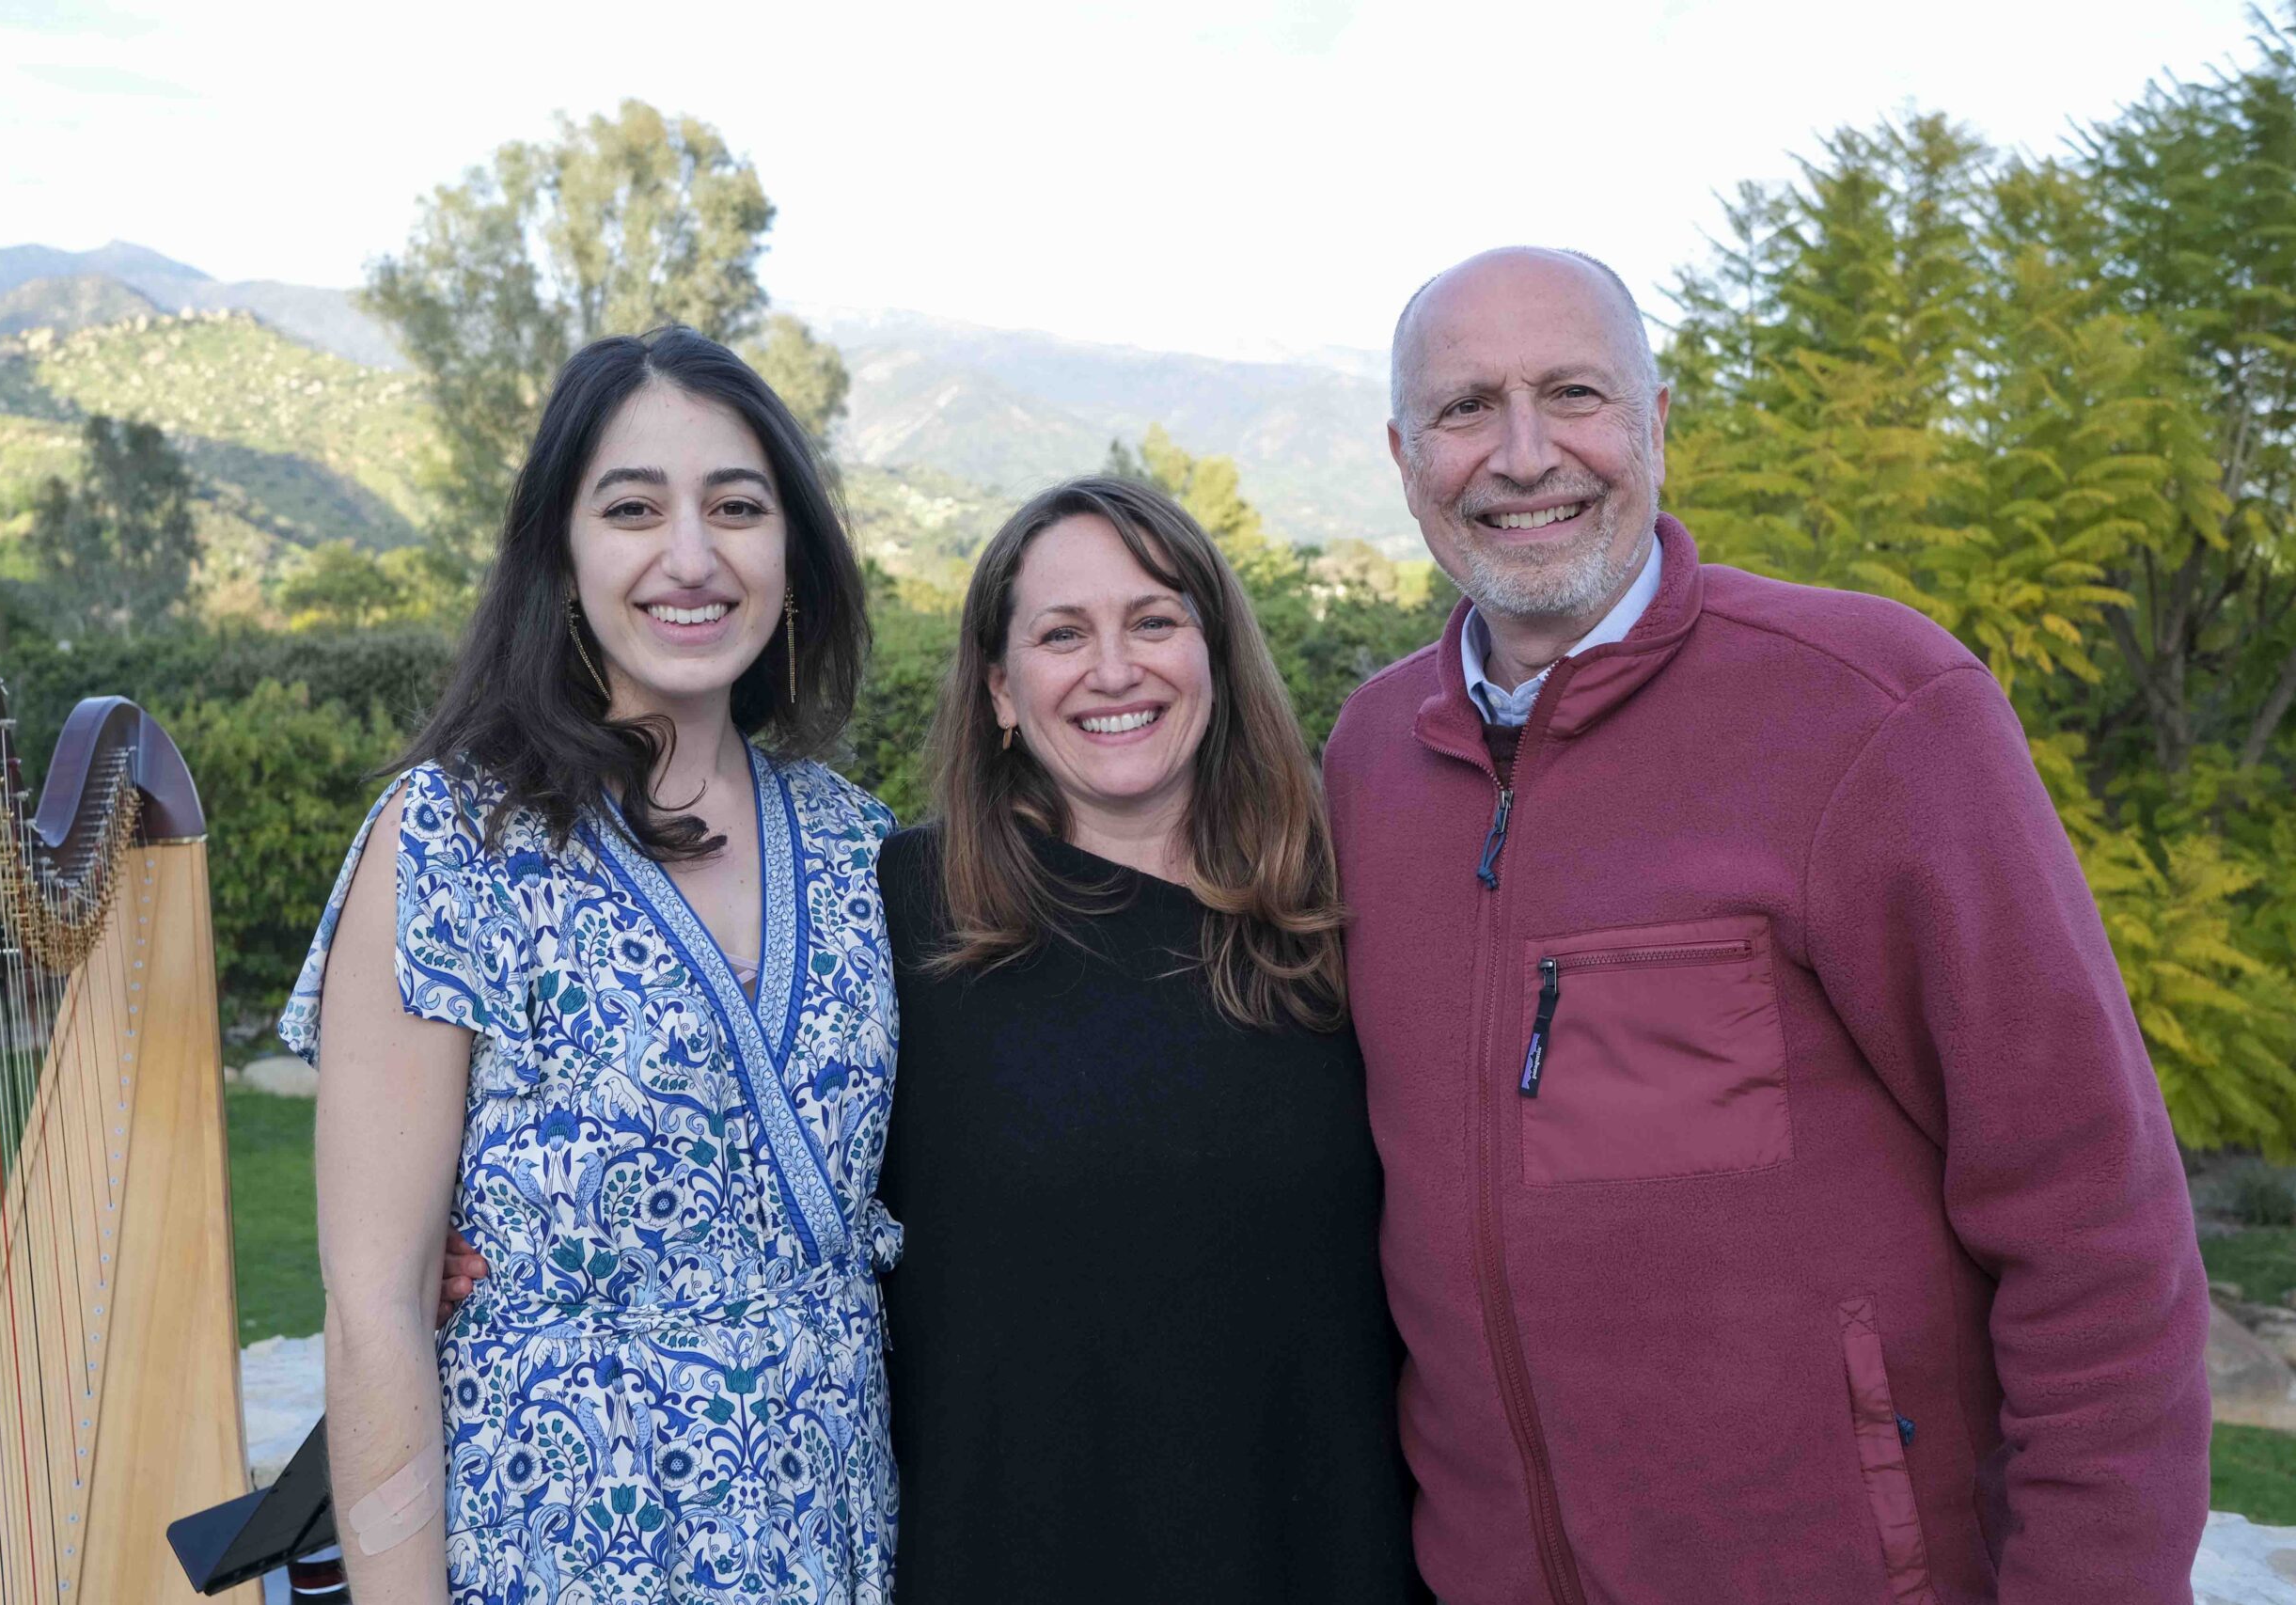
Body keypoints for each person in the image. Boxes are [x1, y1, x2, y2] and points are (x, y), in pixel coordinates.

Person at [1323, 246, 2211, 1604]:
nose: (1521, 454)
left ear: (1657, 422)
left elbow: (2098, 1229)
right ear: (1402, 450)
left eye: (1573, 392)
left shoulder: (1874, 711)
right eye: (1463, 409)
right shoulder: (1369, 759)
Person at [284, 327, 900, 1605]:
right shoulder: (450, 840)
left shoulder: (858, 844)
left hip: (834, 1540)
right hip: (554, 1553)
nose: (692, 555)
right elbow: (376, 1306)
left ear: (794, 554)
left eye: (738, 506)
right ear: (561, 557)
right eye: (632, 509)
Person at [875, 475, 1423, 1601]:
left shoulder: (1343, 905)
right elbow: (735, 1162)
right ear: (1000, 690)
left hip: (1317, 1556)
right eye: (1062, 633)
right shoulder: (900, 918)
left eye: (1155, 621)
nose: (1114, 670)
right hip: (1012, 1559)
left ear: (1214, 656)